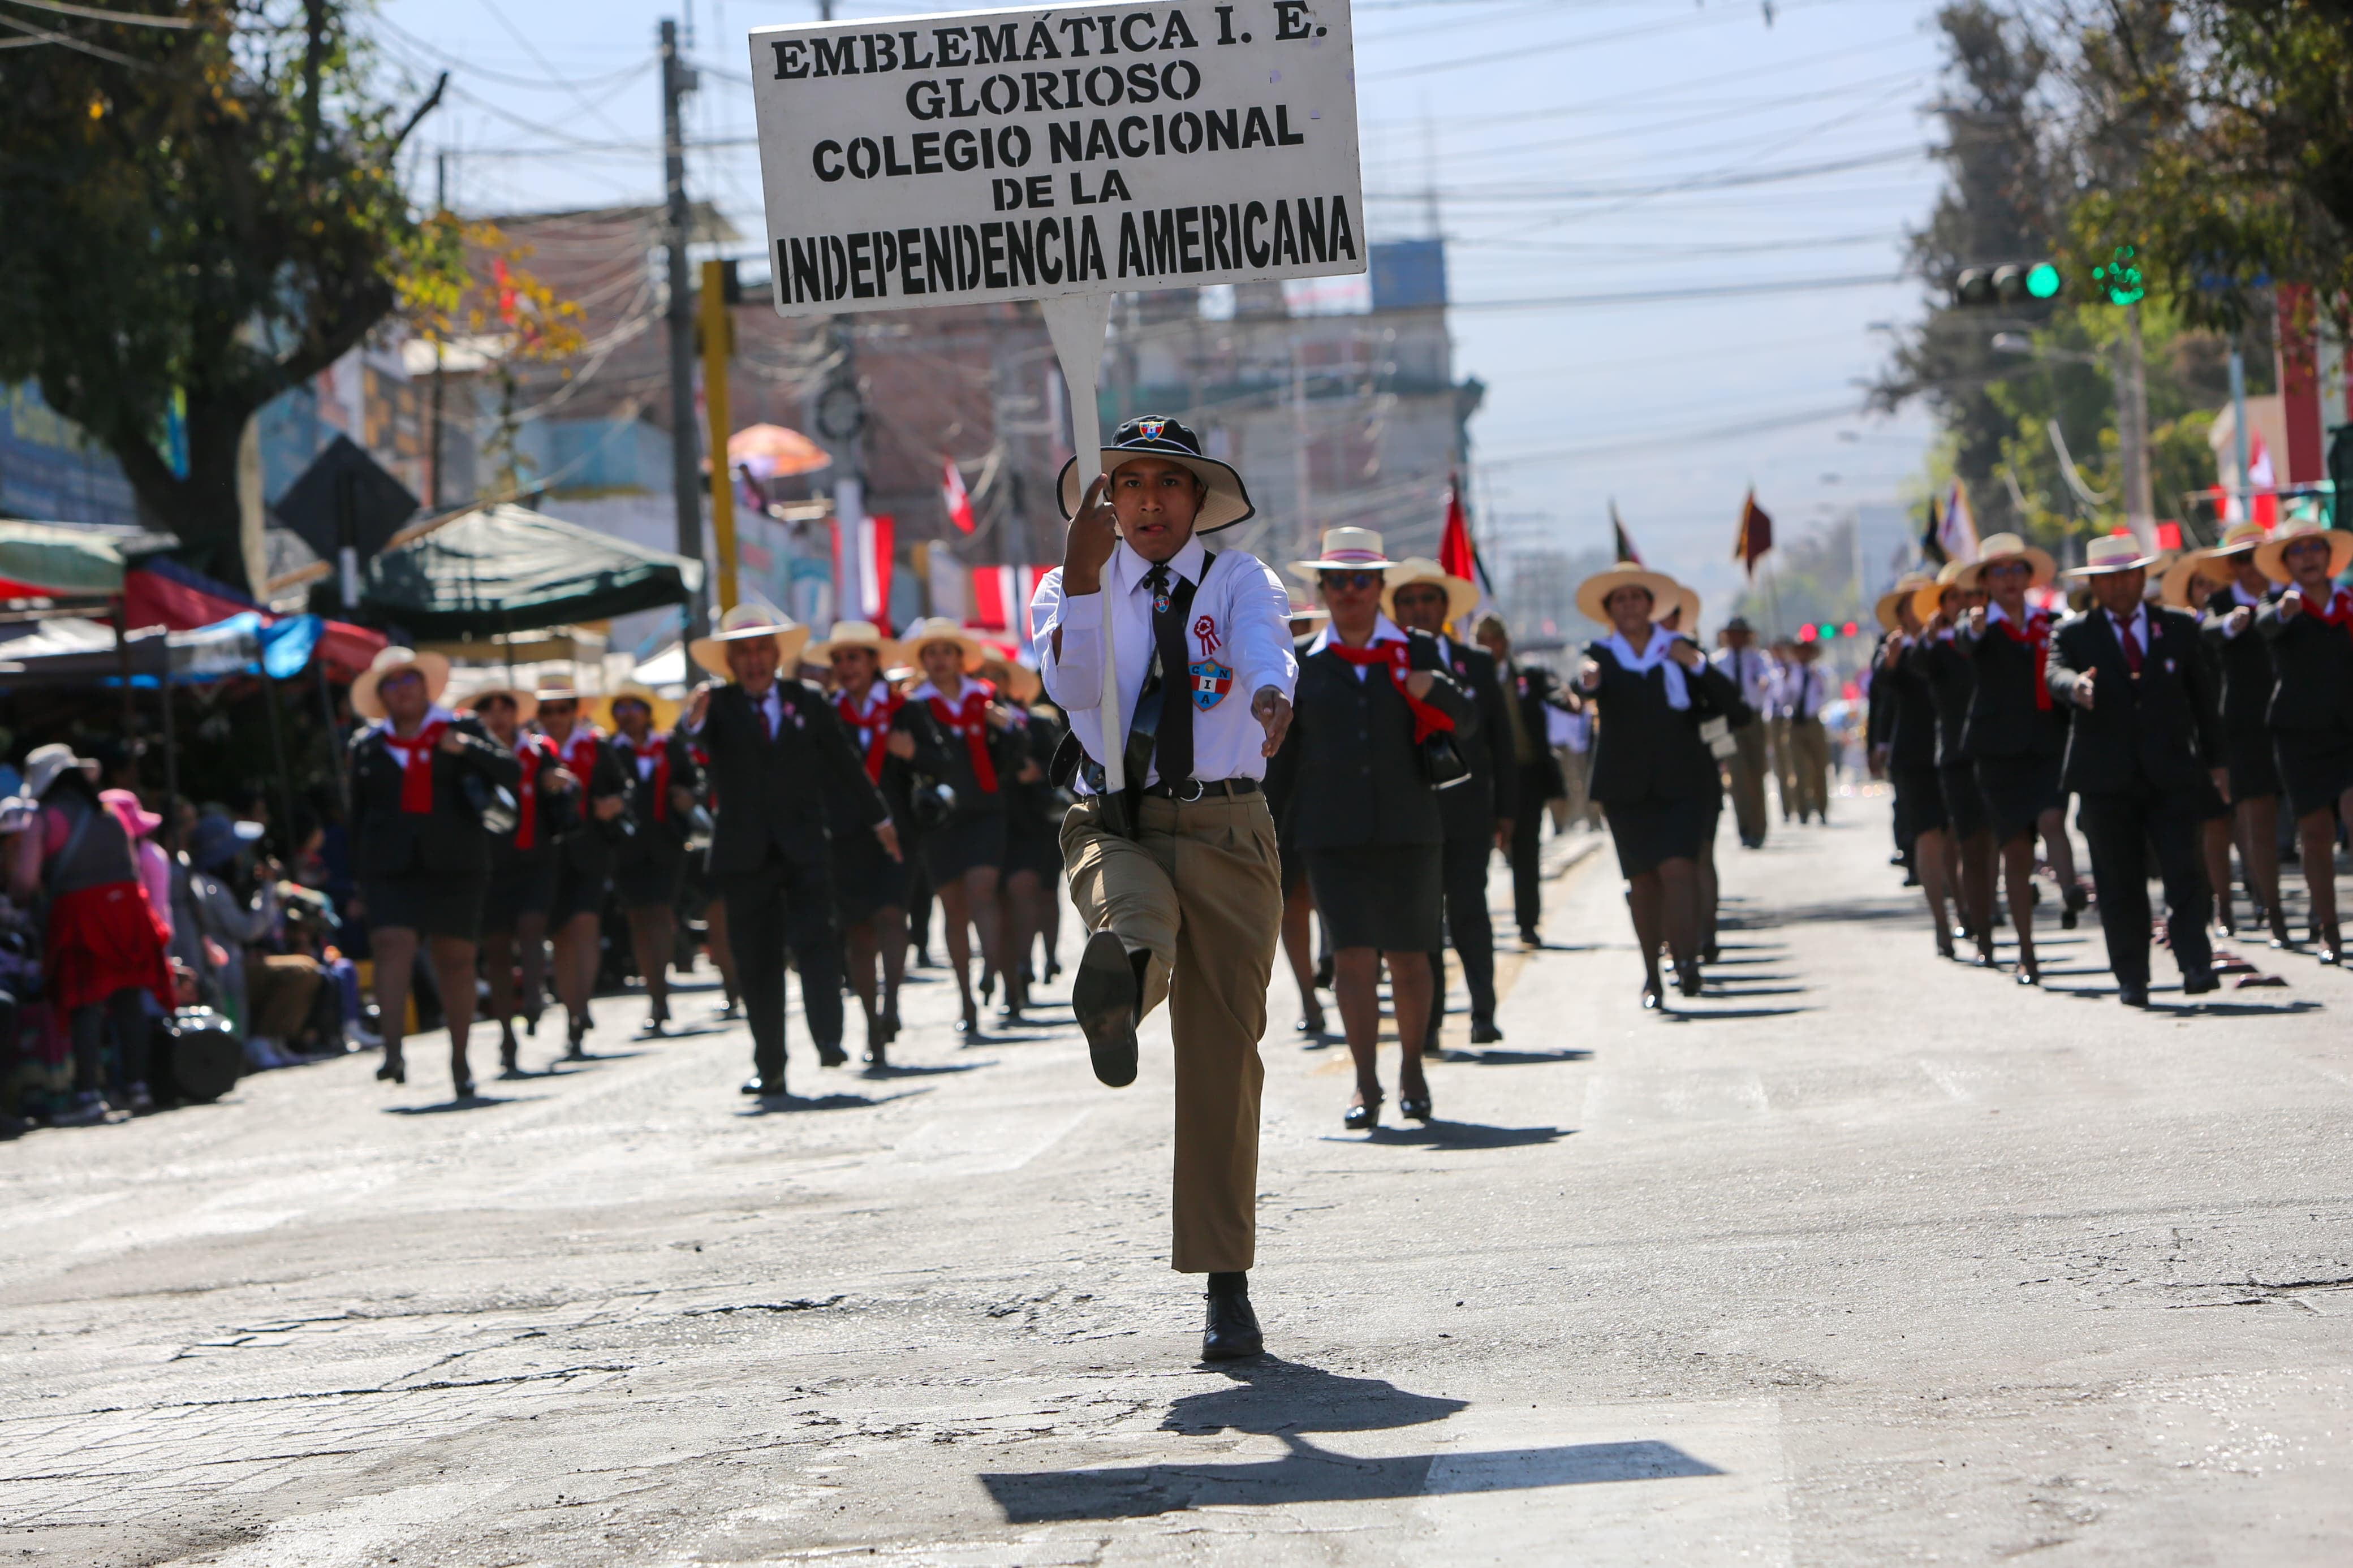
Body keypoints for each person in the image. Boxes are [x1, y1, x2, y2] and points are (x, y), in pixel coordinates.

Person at [1030, 413, 1295, 1361]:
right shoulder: (1066, 585)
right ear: (1108, 500)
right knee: (1130, 921)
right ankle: (1119, 994)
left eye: (1168, 483)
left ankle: (1228, 1283)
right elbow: (1076, 681)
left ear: (1197, 502)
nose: (1148, 499)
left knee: (1225, 1057)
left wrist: (1272, 695)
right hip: (1119, 816)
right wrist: (1082, 567)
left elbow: (1268, 645)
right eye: (1129, 482)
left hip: (1228, 827)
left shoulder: (1239, 579)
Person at [1273, 528, 1475, 1130]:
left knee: (1411, 960)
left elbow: (1466, 718)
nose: (1348, 592)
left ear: (1380, 588)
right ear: (1322, 589)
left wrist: (1432, 688)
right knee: (1354, 961)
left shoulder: (1414, 650)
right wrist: (1269, 835)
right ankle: (1366, 1081)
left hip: (1410, 829)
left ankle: (1412, 1068)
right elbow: (1282, 760)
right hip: (1330, 837)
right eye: (1336, 581)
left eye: (1361, 580)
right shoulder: (1302, 663)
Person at [683, 604, 895, 1096]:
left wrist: (880, 818)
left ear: (777, 654)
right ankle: (770, 1066)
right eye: (744, 652)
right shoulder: (716, 705)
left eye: (762, 650)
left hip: (803, 847)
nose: (755, 661)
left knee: (817, 940)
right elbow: (690, 745)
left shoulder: (809, 700)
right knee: (756, 960)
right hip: (743, 854)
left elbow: (845, 764)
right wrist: (692, 721)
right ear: (730, 661)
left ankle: (829, 1037)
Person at [2044, 535, 2226, 1004]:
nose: (2121, 586)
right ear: (2095, 586)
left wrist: (2216, 760)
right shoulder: (2073, 633)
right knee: (2118, 878)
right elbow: (2055, 674)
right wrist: (2076, 687)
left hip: (2170, 771)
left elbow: (2203, 699)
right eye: (2109, 579)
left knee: (2184, 869)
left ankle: (2196, 963)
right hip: (2106, 777)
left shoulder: (2178, 627)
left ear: (2143, 578)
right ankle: (2132, 975)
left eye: (2128, 575)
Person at [345, 647, 519, 1097]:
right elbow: (357, 816)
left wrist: (467, 749)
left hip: (456, 863)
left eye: (410, 680)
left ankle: (460, 1059)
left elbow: (512, 770)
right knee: (392, 944)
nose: (403, 690)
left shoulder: (459, 727)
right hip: (390, 867)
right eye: (393, 683)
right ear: (382, 695)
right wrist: (357, 881)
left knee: (456, 959)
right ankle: (392, 1051)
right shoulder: (367, 745)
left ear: (426, 686)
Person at [1570, 561, 1743, 1009]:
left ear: (1651, 605)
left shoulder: (1679, 650)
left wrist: (1699, 666)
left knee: (1679, 870)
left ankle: (1687, 962)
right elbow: (1581, 685)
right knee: (1643, 883)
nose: (1629, 605)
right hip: (1624, 788)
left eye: (1636, 597)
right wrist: (1587, 683)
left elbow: (1733, 705)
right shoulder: (1601, 655)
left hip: (1681, 782)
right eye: (1620, 599)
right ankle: (1652, 973)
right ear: (1610, 609)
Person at [1384, 556, 1516, 1048]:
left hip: (1467, 811)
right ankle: (1430, 1022)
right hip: (1410, 812)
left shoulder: (1477, 663)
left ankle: (1484, 1011)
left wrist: (1506, 812)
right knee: (1422, 920)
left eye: (1428, 598)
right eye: (1408, 600)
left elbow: (1500, 744)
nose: (1419, 607)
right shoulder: (1385, 660)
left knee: (1469, 910)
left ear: (1444, 606)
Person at [5, 745, 173, 1123]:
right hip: (127, 909)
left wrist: (20, 899)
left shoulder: (45, 818)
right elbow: (129, 866)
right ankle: (136, 1086)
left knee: (86, 1001)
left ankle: (86, 1094)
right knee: (129, 998)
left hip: (81, 914)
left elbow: (25, 880)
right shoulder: (109, 814)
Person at [897, 617, 1026, 1038]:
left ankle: (990, 966)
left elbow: (1013, 754)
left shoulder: (984, 699)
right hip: (940, 819)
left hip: (986, 810)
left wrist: (1003, 728)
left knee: (984, 889)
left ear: (959, 659)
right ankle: (967, 999)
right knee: (953, 908)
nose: (939, 660)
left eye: (946, 652)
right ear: (923, 661)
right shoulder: (912, 706)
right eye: (931, 653)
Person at [1954, 534, 2072, 984]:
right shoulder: (1979, 626)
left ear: (2028, 576)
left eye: (2015, 570)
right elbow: (1966, 641)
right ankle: (2026, 951)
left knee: (2053, 819)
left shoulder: (2052, 623)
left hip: (2047, 747)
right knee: (2016, 853)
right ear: (1985, 582)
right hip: (1999, 756)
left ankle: (2070, 889)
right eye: (1998, 572)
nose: (2008, 579)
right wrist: (1976, 626)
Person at [808, 619, 915, 1065]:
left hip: (899, 832)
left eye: (854, 657)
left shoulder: (903, 709)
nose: (846, 666)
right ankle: (871, 1024)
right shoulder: (826, 713)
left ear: (874, 663)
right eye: (838, 659)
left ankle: (891, 1005)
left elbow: (940, 762)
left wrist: (913, 753)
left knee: (892, 915)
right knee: (859, 932)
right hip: (845, 836)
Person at [2252, 517, 2353, 964]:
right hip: (2301, 737)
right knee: (2315, 833)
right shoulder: (2276, 604)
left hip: (2349, 731)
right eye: (2298, 550)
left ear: (2329, 557)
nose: (2309, 556)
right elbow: (2263, 627)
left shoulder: (2349, 602)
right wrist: (2282, 613)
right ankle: (2328, 929)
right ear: (2286, 562)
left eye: (2316, 547)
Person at [2197, 521, 2292, 947]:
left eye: (2255, 556)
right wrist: (2233, 623)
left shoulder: (2287, 598)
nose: (2249, 567)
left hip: (2298, 720)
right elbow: (2208, 630)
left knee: (2315, 821)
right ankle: (2267, 908)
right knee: (2254, 820)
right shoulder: (2217, 604)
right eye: (2239, 559)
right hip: (2241, 727)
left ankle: (2317, 912)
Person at [468, 683, 567, 1073]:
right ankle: (506, 1034)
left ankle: (534, 994)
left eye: (504, 707)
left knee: (531, 925)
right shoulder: (470, 755)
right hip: (490, 864)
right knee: (495, 950)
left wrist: (558, 785)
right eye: (488, 708)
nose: (497, 715)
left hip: (535, 857)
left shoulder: (537, 751)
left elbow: (558, 793)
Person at [533, 676, 630, 1057]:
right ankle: (572, 1012)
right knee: (560, 938)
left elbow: (625, 788)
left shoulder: (596, 745)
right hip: (547, 855)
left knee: (585, 925)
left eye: (562, 708)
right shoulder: (534, 749)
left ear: (575, 710)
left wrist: (614, 804)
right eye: (547, 710)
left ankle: (582, 1004)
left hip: (590, 851)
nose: (555, 717)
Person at [602, 682, 703, 1036]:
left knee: (660, 913)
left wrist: (686, 798)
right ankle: (654, 989)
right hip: (625, 849)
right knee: (637, 919)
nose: (628, 714)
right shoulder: (609, 750)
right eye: (621, 708)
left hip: (666, 846)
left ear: (647, 711)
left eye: (634, 707)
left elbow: (694, 783)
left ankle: (660, 995)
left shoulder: (669, 746)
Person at [1871, 576, 1956, 956]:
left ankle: (1969, 907)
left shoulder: (1950, 640)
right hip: (1914, 754)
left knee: (1957, 837)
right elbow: (1881, 698)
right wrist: (1878, 743)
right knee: (1928, 836)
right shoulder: (1893, 649)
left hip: (1955, 749)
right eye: (1913, 605)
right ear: (1902, 613)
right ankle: (1942, 922)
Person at [1472, 615, 1568, 947]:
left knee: (1527, 851)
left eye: (1495, 639)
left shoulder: (1528, 675)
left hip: (1526, 777)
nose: (1490, 646)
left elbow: (1556, 692)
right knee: (1476, 856)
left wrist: (1568, 699)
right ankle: (1473, 927)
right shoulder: (1467, 677)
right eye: (1482, 640)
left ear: (1505, 642)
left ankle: (1528, 923)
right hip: (1483, 780)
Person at [1711, 616, 1775, 848]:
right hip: (1729, 723)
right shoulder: (1718, 662)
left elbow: (1768, 677)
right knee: (1737, 777)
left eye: (1741, 634)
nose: (1736, 638)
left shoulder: (1757, 658)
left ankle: (1760, 828)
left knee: (1756, 775)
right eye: (1733, 634)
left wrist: (1763, 682)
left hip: (1753, 719)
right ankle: (1745, 829)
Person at [1781, 639, 1832, 824]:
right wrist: (1785, 680)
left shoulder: (1819, 672)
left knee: (1819, 767)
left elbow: (1824, 694)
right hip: (1794, 724)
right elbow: (1782, 699)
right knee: (1798, 768)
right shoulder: (1788, 673)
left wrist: (1815, 677)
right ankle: (1802, 810)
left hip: (1813, 722)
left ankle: (1822, 808)